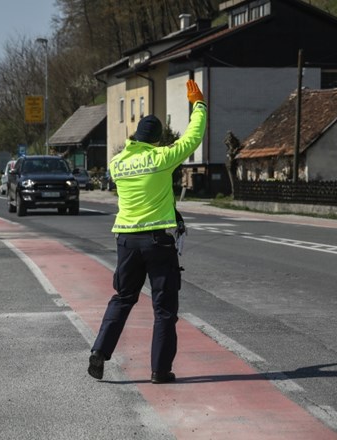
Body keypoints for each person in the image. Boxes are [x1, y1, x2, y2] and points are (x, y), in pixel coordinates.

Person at [88, 80, 207, 383]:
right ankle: (160, 370)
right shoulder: (160, 159)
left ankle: (100, 352)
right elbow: (193, 138)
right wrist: (199, 106)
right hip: (157, 241)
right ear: (157, 139)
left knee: (123, 297)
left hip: (126, 242)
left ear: (135, 136)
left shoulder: (117, 164)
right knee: (164, 308)